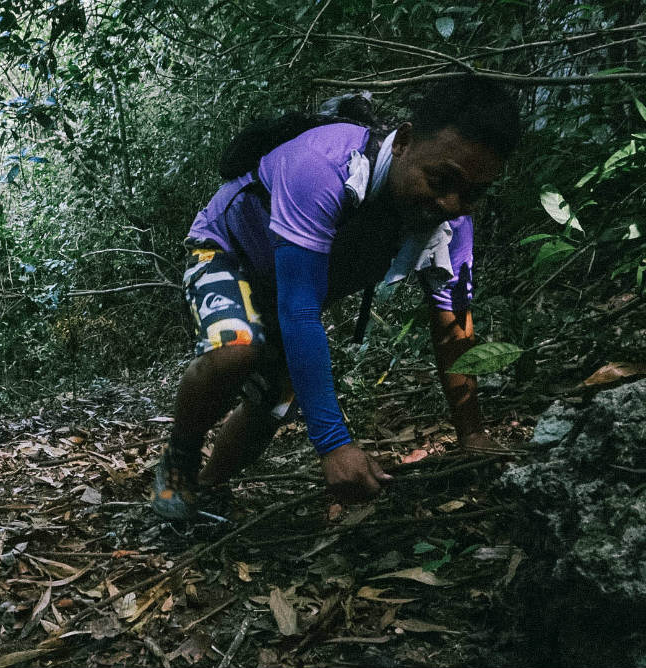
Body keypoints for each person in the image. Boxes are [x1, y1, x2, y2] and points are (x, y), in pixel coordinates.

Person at [152, 78, 522, 519]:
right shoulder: (323, 165)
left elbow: (453, 319)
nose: (451, 203)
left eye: (473, 194)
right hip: (227, 252)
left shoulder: (451, 220)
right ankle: (180, 461)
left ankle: (208, 487)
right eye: (441, 180)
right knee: (236, 349)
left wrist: (472, 433)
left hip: (290, 282)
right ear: (402, 142)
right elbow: (300, 310)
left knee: (274, 403)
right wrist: (334, 445)